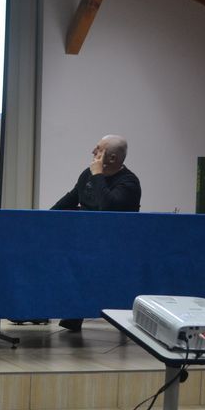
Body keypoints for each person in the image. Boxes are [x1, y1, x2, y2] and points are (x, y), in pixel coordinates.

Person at [51, 134, 141, 331]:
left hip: (111, 247)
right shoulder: (87, 175)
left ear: (112, 158)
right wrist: (42, 221)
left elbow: (107, 210)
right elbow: (68, 200)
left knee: (75, 261)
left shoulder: (129, 183)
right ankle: (39, 309)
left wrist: (98, 175)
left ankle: (74, 311)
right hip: (84, 241)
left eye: (99, 149)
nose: (93, 152)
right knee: (47, 253)